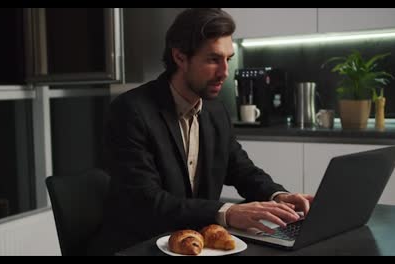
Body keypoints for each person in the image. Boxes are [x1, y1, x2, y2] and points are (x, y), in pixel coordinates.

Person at [88, 8, 313, 255]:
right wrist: (227, 211)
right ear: (180, 57)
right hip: (139, 246)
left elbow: (241, 169)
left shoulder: (215, 111)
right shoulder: (130, 111)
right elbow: (147, 203)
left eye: (228, 58)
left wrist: (277, 195)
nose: (225, 72)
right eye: (213, 59)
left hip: (196, 244)